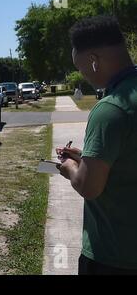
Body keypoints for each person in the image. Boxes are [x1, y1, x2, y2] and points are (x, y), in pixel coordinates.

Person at [57, 15, 137, 275]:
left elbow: (89, 187)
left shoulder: (110, 109)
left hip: (113, 255)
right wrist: (88, 157)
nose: (83, 75)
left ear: (93, 60)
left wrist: (69, 166)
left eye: (81, 69)